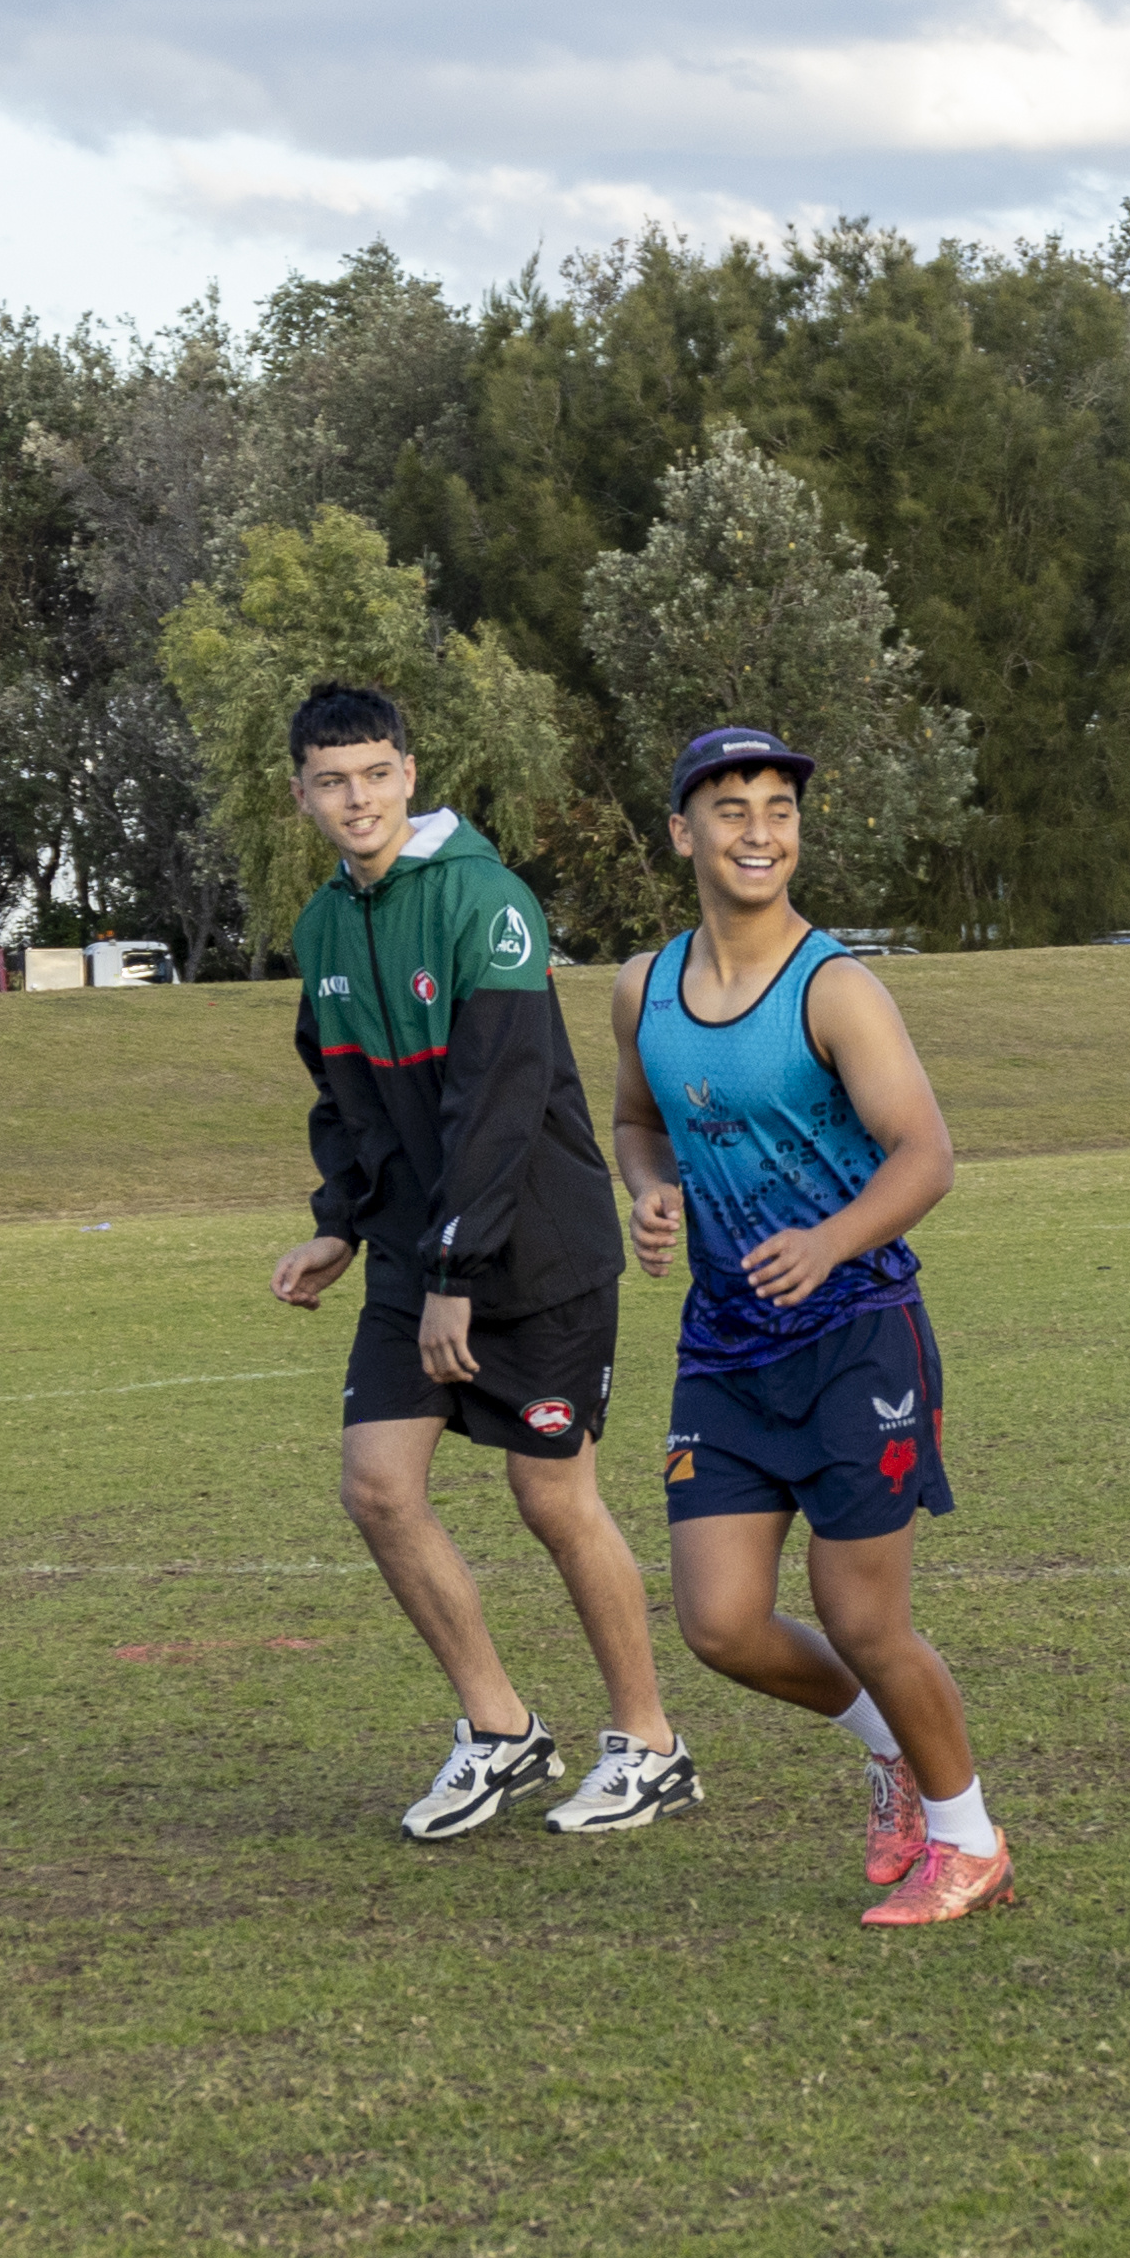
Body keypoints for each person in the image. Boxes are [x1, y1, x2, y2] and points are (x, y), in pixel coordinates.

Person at [605, 726, 1011, 1928]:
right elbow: (635, 1120)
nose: (759, 831)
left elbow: (926, 1154)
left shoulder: (835, 987)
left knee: (863, 1616)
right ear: (683, 833)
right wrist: (648, 1190)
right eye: (730, 809)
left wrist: (829, 1239)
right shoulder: (641, 986)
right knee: (720, 1623)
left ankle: (970, 1839)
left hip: (857, 1335)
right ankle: (888, 1743)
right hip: (725, 1349)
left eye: (778, 808)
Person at [260, 685, 674, 1842]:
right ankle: (499, 1730)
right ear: (302, 794)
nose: (357, 799)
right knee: (379, 1488)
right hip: (413, 1254)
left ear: (408, 772)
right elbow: (342, 1095)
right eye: (332, 781)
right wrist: (342, 1221)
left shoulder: (490, 903)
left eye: (375, 774)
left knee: (550, 1497)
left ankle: (648, 1743)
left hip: (534, 1251)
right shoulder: (323, 926)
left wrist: (456, 1271)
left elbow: (498, 1105)